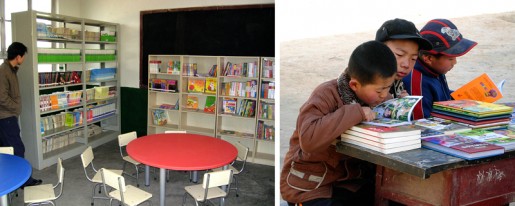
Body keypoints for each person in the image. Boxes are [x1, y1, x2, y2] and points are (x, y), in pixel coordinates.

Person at [280, 40, 398, 206]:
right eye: (379, 90)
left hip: (350, 182)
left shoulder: (377, 98)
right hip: (311, 185)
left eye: (388, 88)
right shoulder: (326, 94)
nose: (384, 95)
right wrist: (355, 112)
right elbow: (308, 140)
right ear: (354, 85)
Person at [403, 19, 477, 119]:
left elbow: (441, 96)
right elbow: (420, 123)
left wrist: (461, 97)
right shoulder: (417, 82)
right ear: (428, 58)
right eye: (451, 58)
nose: (454, 62)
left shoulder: (435, 69)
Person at [0, 42, 43, 187]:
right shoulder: (4, 71)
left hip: (8, 116)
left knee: (8, 151)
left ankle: (11, 181)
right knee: (17, 149)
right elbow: (2, 97)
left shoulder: (11, 70)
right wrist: (15, 107)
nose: (24, 59)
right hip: (6, 118)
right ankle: (25, 181)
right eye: (23, 56)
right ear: (18, 56)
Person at [375, 18, 433, 98]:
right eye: (399, 54)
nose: (406, 65)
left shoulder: (397, 81)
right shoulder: (361, 79)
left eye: (413, 58)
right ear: (378, 50)